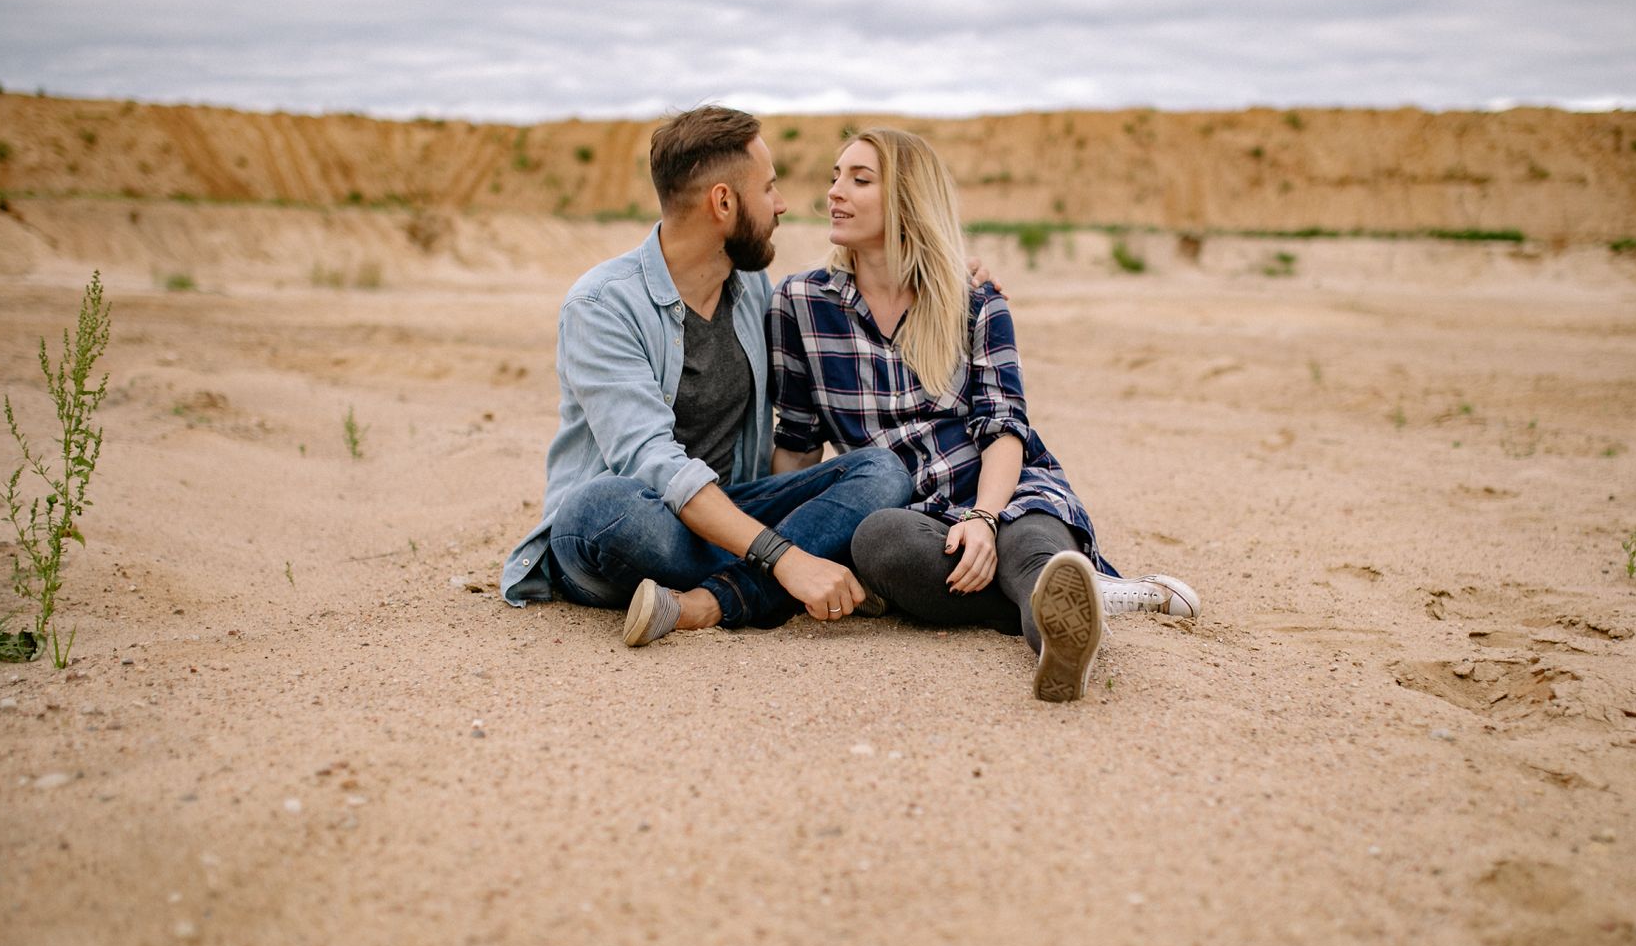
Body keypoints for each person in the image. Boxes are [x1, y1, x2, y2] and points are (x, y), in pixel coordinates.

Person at [768, 128, 1200, 702]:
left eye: (859, 179)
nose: (834, 192)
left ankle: (1060, 643)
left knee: (1031, 551)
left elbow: (1003, 426)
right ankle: (1093, 595)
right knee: (877, 542)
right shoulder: (799, 304)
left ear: (907, 198)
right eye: (834, 177)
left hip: (1007, 492)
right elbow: (799, 445)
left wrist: (985, 518)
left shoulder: (973, 300)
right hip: (914, 517)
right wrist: (785, 551)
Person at [499, 106, 914, 645]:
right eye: (768, 189)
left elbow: (850, 291)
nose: (782, 204)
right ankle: (792, 574)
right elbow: (651, 462)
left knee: (881, 472)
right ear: (723, 202)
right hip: (639, 526)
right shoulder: (601, 305)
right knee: (603, 506)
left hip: (730, 513)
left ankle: (709, 602)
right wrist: (786, 554)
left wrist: (949, 276)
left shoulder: (754, 291)